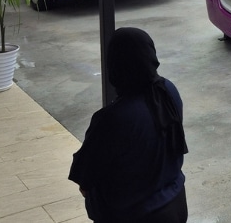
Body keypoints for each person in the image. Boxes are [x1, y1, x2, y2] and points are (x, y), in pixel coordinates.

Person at [68, 27, 188, 222]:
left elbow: (84, 181)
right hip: (175, 205)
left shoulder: (112, 119)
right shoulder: (168, 91)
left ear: (114, 65)